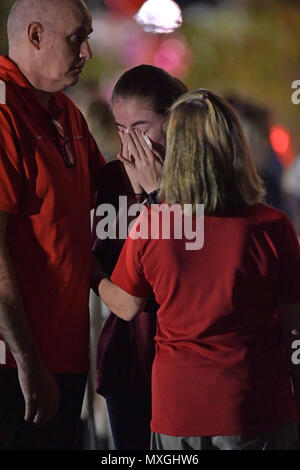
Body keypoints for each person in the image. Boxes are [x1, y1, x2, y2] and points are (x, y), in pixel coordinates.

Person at [97, 89, 300, 450]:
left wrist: (86, 269)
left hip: (179, 411)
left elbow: (125, 305)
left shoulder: (153, 225)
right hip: (255, 407)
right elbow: (293, 327)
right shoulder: (272, 226)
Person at [0, 0, 105, 450]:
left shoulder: (66, 111)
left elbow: (109, 199)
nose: (86, 53)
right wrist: (27, 360)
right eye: (76, 38)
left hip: (64, 356)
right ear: (36, 35)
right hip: (15, 365)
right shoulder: (4, 111)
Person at [92, 65, 187, 450]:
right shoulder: (109, 181)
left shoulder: (194, 179)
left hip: (183, 362)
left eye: (142, 129)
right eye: (121, 129)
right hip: (128, 359)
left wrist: (157, 195)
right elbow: (101, 266)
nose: (131, 143)